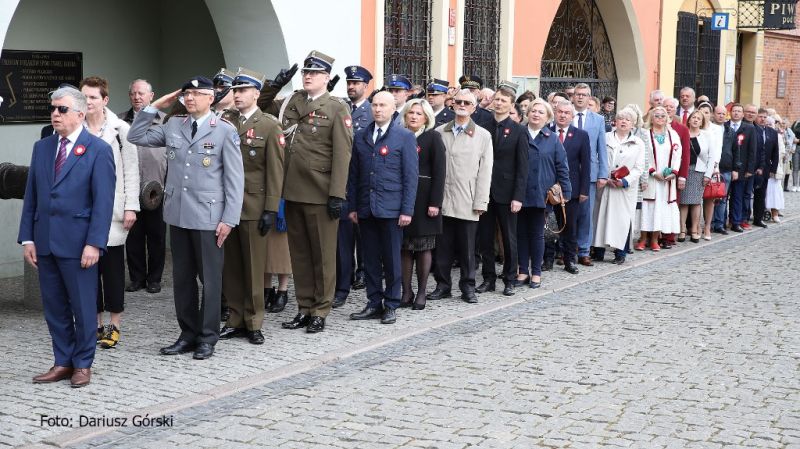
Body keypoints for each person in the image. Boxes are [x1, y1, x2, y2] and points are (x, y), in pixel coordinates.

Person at [128, 76, 244, 359]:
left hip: (208, 217)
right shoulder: (172, 125)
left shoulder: (224, 131)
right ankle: (187, 333)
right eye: (186, 94)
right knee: (182, 279)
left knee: (210, 280)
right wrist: (154, 106)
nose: (189, 98)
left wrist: (228, 219)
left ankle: (207, 337)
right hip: (178, 215)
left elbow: (235, 180)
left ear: (210, 98)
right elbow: (135, 136)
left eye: (196, 94)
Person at [19, 86, 115, 387]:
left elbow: (103, 203)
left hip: (79, 244)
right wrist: (28, 238)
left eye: (61, 109)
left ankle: (83, 364)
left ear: (79, 113)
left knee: (84, 308)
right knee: (55, 307)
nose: (55, 114)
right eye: (53, 109)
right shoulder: (43, 147)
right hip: (45, 241)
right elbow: (31, 196)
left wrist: (94, 243)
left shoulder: (98, 150)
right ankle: (62, 361)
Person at [257, 51, 353, 333]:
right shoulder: (292, 100)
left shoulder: (336, 107)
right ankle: (304, 307)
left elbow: (342, 154)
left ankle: (320, 311)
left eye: (314, 73)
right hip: (292, 188)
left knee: (322, 256)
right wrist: (274, 85)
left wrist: (337, 194)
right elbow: (259, 106)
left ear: (326, 78)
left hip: (320, 192)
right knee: (299, 255)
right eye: (305, 72)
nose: (307, 76)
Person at [217, 69, 284, 345]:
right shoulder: (224, 121)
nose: (237, 95)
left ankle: (254, 322)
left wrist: (270, 209)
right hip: (226, 206)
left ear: (257, 93)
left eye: (243, 90)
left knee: (255, 268)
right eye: (235, 90)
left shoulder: (268, 125)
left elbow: (275, 171)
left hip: (254, 205)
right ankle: (235, 319)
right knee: (231, 268)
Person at [347, 91, 418, 324]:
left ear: (393, 109)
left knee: (391, 259)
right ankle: (374, 301)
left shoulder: (404, 136)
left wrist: (407, 210)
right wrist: (354, 206)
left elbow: (410, 177)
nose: (377, 109)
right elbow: (354, 175)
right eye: (374, 105)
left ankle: (392, 303)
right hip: (367, 208)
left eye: (382, 106)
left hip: (392, 208)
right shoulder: (361, 136)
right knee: (369, 259)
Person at [80, 77, 140, 350]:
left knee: (113, 270)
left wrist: (131, 206)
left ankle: (114, 325)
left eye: (93, 97)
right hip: (82, 211)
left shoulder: (120, 130)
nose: (88, 102)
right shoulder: (75, 128)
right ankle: (95, 324)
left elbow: (131, 171)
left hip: (113, 210)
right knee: (88, 271)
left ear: (105, 100)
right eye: (84, 97)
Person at [427, 89, 493, 303]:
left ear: (474, 108)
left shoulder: (483, 135)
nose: (462, 104)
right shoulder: (438, 132)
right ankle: (443, 285)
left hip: (468, 198)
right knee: (443, 247)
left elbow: (485, 171)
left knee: (467, 249)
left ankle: (468, 287)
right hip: (443, 198)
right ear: (452, 105)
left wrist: (481, 200)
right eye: (459, 101)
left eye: (467, 102)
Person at [476, 81, 529, 296]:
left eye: (503, 101)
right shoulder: (483, 127)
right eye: (496, 99)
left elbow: (523, 167)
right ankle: (488, 278)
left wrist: (518, 196)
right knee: (485, 237)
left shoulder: (518, 131)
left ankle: (509, 279)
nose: (498, 103)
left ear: (511, 105)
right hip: (484, 190)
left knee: (509, 238)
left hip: (507, 192)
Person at [118, 79, 167, 295]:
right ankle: (137, 278)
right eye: (133, 93)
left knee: (156, 238)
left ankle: (154, 279)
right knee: (134, 238)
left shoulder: (166, 122)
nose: (137, 97)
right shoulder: (120, 122)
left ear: (151, 96)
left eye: (141, 93)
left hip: (158, 190)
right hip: (130, 192)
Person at [516, 98, 571, 288]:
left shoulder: (552, 138)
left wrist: (566, 191)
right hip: (520, 193)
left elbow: (562, 167)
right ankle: (522, 271)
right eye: (533, 111)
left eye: (540, 112)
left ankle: (536, 273)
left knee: (538, 234)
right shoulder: (520, 134)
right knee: (521, 234)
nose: (536, 114)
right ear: (527, 113)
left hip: (542, 193)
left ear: (547, 117)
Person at [397, 98, 445, 310]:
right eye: (411, 113)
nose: (414, 116)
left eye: (419, 113)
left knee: (423, 246)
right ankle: (406, 291)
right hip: (401, 198)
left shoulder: (432, 137)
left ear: (426, 117)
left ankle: (422, 291)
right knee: (405, 247)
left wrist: (435, 202)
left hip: (425, 199)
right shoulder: (399, 135)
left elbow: (439, 172)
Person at [332, 65, 374, 309]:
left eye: (356, 83)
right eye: (349, 82)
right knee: (342, 242)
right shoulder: (339, 109)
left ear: (365, 86)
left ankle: (367, 276)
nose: (351, 87)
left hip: (364, 185)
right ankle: (341, 287)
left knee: (366, 240)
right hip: (343, 184)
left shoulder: (371, 112)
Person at [592, 107, 645, 264]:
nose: (624, 122)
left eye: (628, 120)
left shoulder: (638, 143)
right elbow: (596, 157)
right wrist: (602, 176)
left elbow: (639, 167)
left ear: (633, 124)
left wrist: (625, 181)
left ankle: (620, 253)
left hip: (624, 189)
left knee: (622, 220)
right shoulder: (606, 137)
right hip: (605, 184)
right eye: (621, 119)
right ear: (616, 121)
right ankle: (598, 251)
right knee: (600, 217)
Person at [545, 100, 590, 273]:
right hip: (548, 187)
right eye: (560, 112)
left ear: (572, 116)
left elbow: (585, 164)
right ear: (554, 113)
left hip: (571, 188)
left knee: (569, 225)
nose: (562, 115)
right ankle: (547, 259)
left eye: (566, 113)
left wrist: (584, 189)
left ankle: (569, 259)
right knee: (548, 223)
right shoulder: (546, 131)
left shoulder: (580, 135)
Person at [571, 83, 608, 266]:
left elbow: (602, 148)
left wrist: (603, 174)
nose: (580, 97)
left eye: (584, 95)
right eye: (577, 94)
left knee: (586, 214)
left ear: (589, 98)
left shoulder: (598, 120)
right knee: (567, 213)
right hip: (568, 172)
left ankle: (584, 251)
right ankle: (567, 250)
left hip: (590, 174)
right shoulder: (565, 116)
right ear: (573, 97)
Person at [638, 106, 682, 251]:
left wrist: (674, 172)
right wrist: (652, 171)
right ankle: (643, 238)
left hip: (666, 180)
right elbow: (642, 155)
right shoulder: (645, 134)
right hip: (651, 178)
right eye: (656, 115)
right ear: (651, 117)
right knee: (648, 206)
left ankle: (656, 239)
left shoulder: (672, 134)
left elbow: (678, 154)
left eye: (663, 116)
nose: (660, 118)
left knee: (662, 207)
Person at [678, 110, 716, 242]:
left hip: (699, 171)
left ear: (702, 122)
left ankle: (694, 229)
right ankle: (682, 229)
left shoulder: (707, 135)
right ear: (689, 120)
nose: (695, 120)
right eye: (693, 117)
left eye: (698, 118)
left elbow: (712, 156)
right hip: (684, 170)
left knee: (695, 202)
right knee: (683, 202)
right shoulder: (683, 133)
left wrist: (708, 175)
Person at [661, 97, 691, 248]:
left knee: (671, 205)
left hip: (674, 175)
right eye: (665, 106)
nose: (668, 109)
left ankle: (668, 237)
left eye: (671, 107)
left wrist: (683, 177)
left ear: (675, 110)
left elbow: (685, 155)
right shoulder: (652, 127)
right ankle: (653, 235)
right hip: (657, 175)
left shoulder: (681, 129)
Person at [726, 103, 758, 232]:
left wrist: (750, 169)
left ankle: (736, 221)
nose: (736, 113)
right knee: (723, 196)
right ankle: (722, 220)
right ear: (731, 112)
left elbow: (752, 151)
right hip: (727, 167)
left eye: (739, 111)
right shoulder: (725, 126)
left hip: (742, 168)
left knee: (737, 196)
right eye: (734, 111)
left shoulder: (749, 129)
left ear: (742, 113)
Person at [711, 105, 740, 235]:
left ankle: (720, 223)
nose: (721, 116)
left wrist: (735, 168)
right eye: (719, 113)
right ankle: (710, 223)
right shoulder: (709, 128)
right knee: (710, 197)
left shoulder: (730, 130)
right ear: (713, 114)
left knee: (722, 197)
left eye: (724, 114)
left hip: (727, 168)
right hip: (712, 168)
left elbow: (736, 150)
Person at [752, 108, 779, 228]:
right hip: (751, 167)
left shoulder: (772, 132)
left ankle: (758, 218)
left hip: (766, 168)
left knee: (761, 194)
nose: (762, 119)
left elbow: (775, 152)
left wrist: (773, 169)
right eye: (760, 116)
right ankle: (743, 216)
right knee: (746, 194)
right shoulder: (751, 129)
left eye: (764, 117)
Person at [766, 116, 786, 222]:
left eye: (771, 124)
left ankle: (775, 213)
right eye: (767, 124)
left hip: (774, 167)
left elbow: (781, 151)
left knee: (774, 192)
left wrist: (772, 161)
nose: (769, 126)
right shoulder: (762, 134)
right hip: (763, 167)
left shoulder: (777, 136)